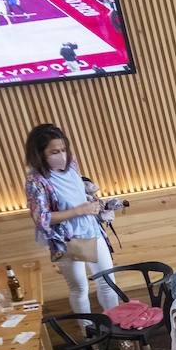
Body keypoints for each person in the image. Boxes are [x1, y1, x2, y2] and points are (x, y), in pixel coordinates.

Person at [23, 123, 119, 314]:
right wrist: (79, 210)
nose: (61, 155)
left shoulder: (71, 166)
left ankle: (118, 330)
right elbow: (41, 218)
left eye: (63, 149)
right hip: (66, 240)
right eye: (54, 152)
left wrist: (96, 204)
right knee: (80, 288)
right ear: (39, 153)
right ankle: (89, 337)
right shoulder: (36, 181)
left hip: (91, 230)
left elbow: (79, 194)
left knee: (107, 281)